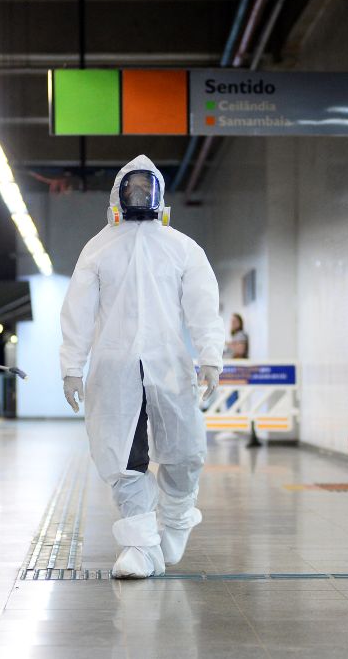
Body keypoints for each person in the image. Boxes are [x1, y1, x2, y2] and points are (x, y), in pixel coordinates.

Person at [60, 155, 225, 579]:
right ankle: (139, 547)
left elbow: (204, 306)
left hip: (167, 362)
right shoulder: (98, 248)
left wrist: (210, 357)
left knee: (184, 452)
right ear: (118, 192)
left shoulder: (181, 247)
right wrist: (71, 366)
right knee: (122, 455)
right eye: (130, 187)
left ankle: (176, 516)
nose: (138, 195)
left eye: (144, 187)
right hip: (115, 369)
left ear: (159, 193)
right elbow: (77, 312)